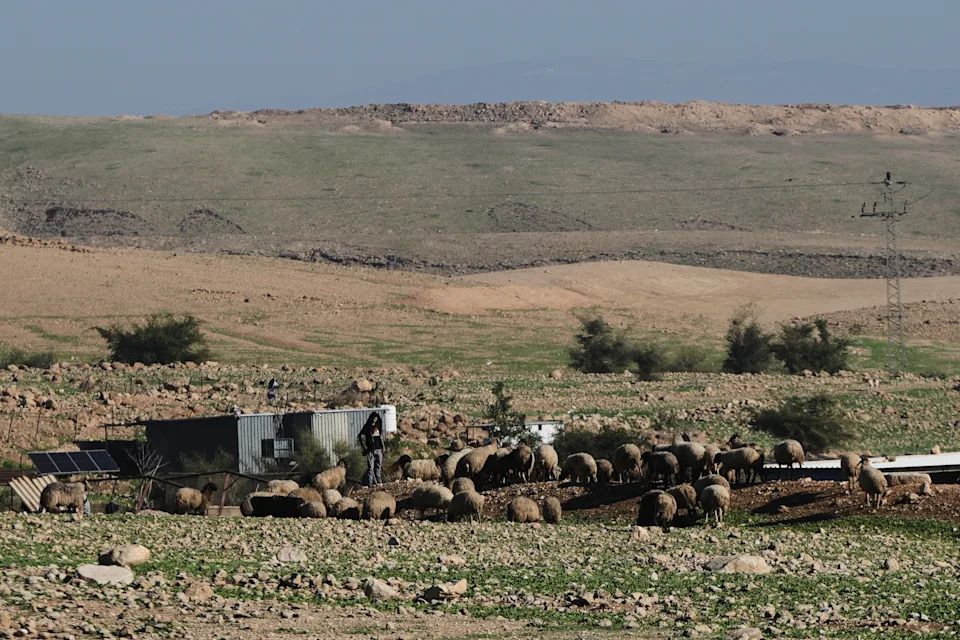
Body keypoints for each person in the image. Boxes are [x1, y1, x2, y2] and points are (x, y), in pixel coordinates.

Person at [357, 413, 385, 486]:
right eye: (373, 418)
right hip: (370, 449)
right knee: (370, 467)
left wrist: (383, 446)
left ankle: (378, 480)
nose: (374, 420)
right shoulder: (367, 427)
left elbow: (380, 437)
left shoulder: (378, 426)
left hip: (378, 448)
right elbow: (360, 436)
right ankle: (370, 482)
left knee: (378, 466)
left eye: (376, 418)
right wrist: (364, 446)